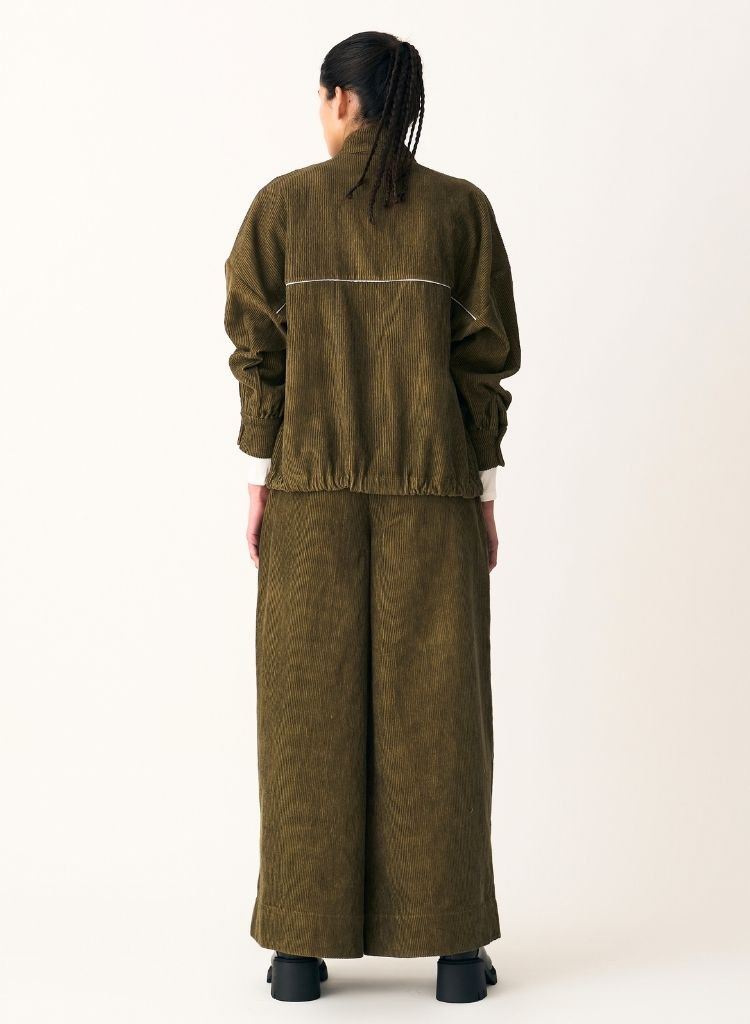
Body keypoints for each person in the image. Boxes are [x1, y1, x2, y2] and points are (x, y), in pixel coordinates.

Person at [223, 31, 521, 1004]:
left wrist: (262, 470)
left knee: (305, 713)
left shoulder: (282, 208)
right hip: (433, 494)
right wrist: (481, 492)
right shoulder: (460, 211)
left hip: (310, 493)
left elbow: (257, 350)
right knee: (441, 714)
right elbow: (484, 366)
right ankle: (456, 954)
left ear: (340, 101)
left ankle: (299, 954)